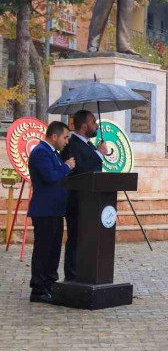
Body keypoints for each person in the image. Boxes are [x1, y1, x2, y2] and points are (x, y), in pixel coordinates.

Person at [27, 121, 76, 304]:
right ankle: (38, 289)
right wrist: (66, 167)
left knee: (54, 250)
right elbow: (50, 177)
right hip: (44, 211)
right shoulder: (41, 152)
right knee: (43, 251)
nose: (66, 141)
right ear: (54, 136)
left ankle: (49, 285)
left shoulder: (53, 153)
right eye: (64, 137)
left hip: (55, 210)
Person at [59, 110, 107, 282]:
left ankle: (85, 272)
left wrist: (100, 153)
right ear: (85, 126)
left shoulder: (88, 144)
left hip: (92, 200)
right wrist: (99, 154)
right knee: (76, 237)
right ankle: (72, 275)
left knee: (87, 238)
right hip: (77, 200)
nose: (97, 126)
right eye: (94, 122)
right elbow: (79, 170)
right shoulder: (72, 145)